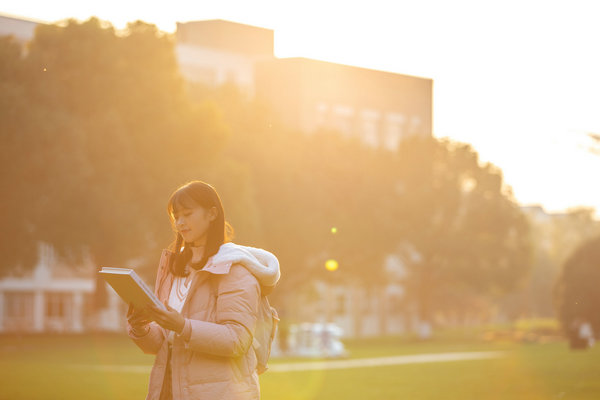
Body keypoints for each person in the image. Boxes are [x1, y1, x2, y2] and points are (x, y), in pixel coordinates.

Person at [127, 180, 280, 400]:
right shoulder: (176, 268)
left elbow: (237, 339)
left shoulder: (235, 269)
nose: (180, 222)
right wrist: (140, 326)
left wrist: (181, 325)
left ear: (212, 214)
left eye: (187, 214)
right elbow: (163, 343)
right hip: (169, 390)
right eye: (175, 216)